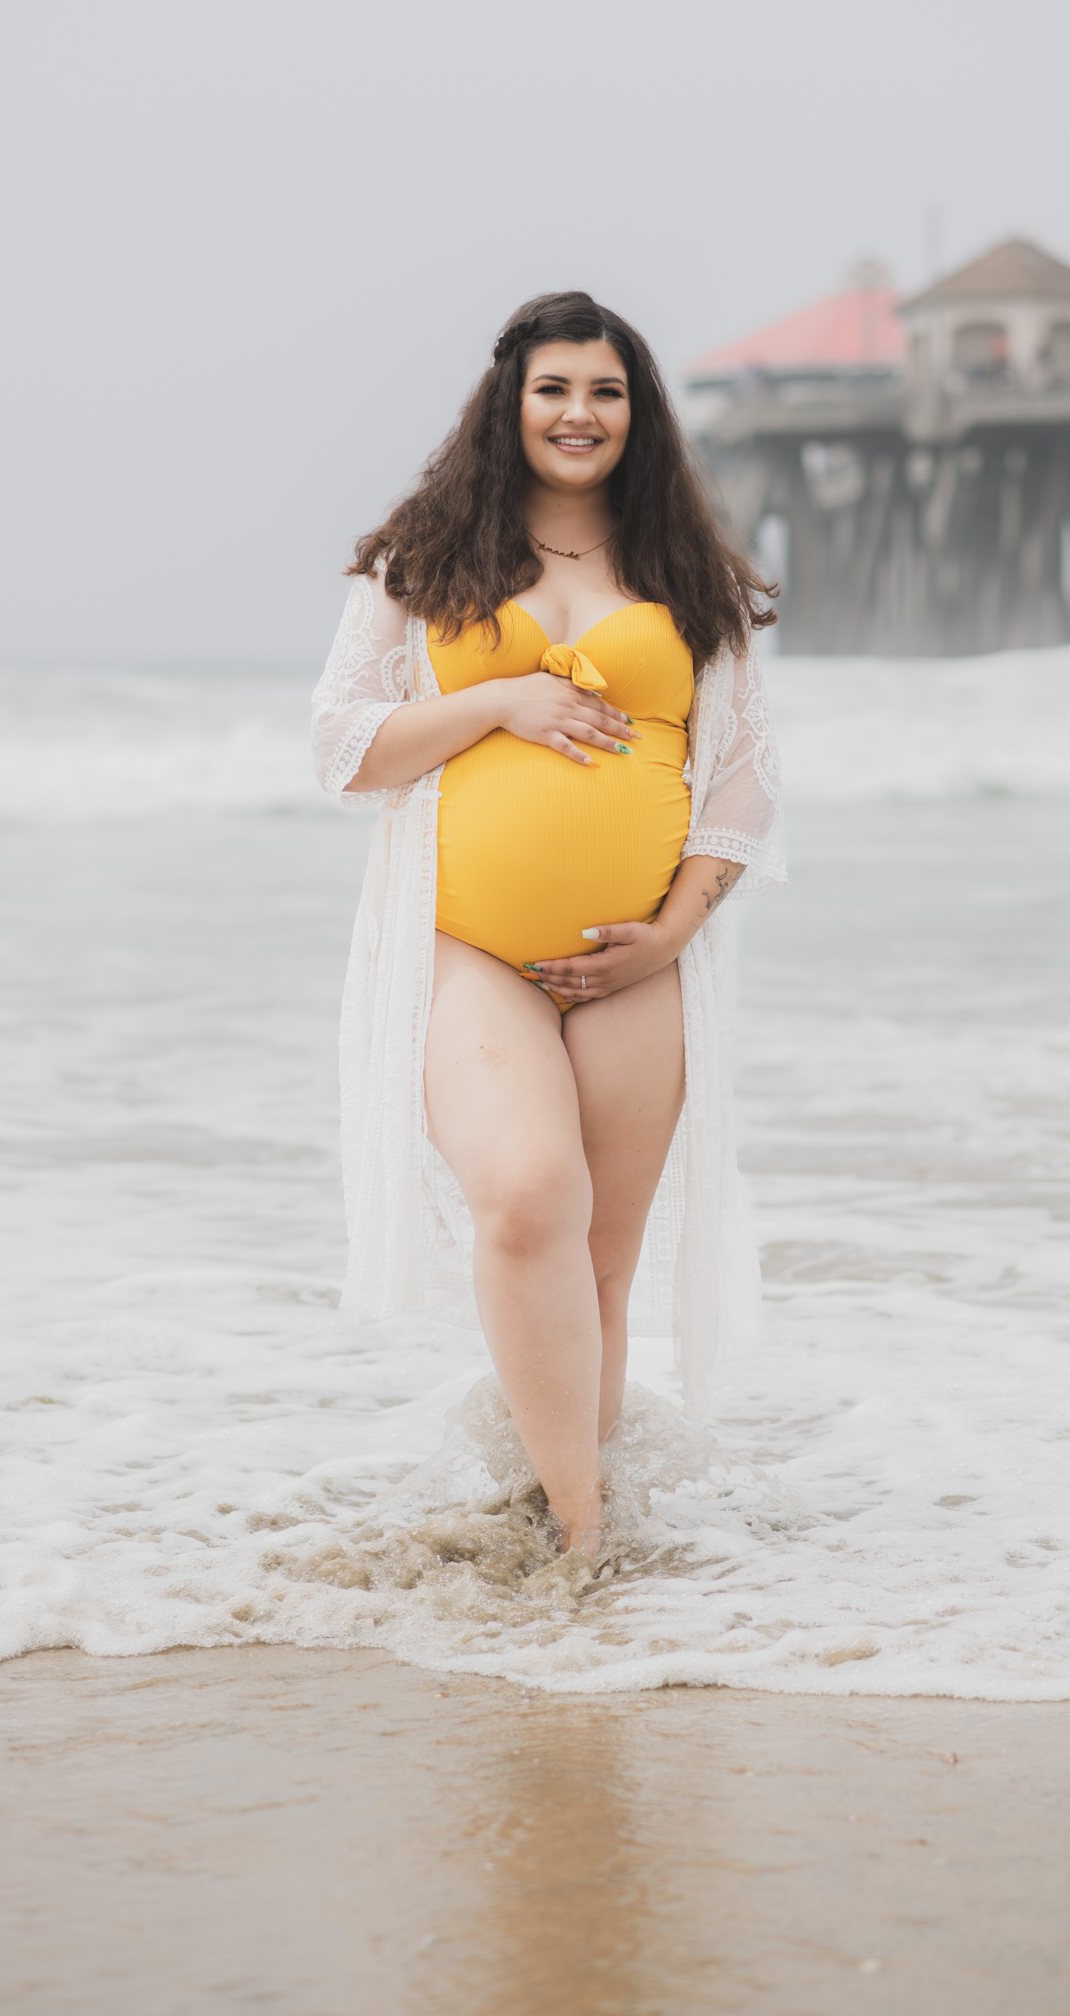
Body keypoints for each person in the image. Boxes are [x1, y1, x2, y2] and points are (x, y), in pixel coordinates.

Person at [311, 291, 784, 1555]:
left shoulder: (692, 576)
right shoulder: (425, 559)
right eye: (555, 388)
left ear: (639, 411)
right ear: (508, 403)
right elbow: (344, 746)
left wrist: (676, 930)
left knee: (605, 1263)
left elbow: (742, 778)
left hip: (639, 961)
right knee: (527, 1199)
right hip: (468, 948)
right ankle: (583, 1526)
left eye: (607, 391)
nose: (581, 413)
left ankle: (570, 1513)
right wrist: (499, 701)